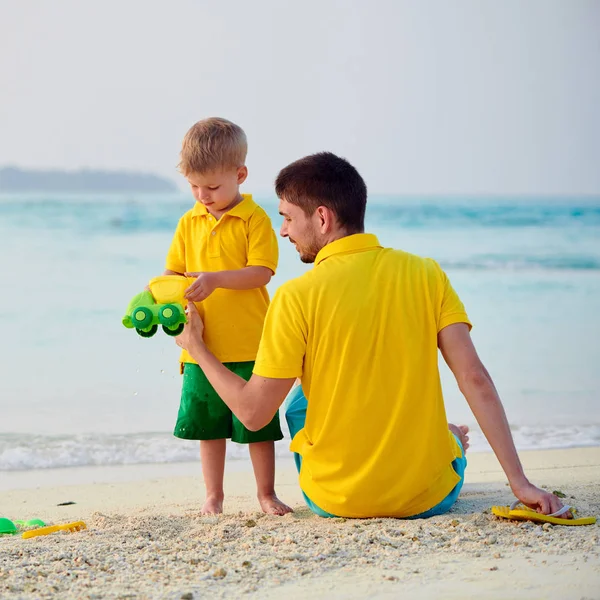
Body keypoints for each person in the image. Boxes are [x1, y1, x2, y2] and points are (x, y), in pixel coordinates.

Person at [175, 151, 567, 519]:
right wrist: (520, 483)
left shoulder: (295, 296)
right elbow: (474, 378)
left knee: (299, 396)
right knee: (362, 377)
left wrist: (198, 348)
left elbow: (252, 414)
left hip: (334, 498)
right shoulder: (426, 273)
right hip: (428, 496)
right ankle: (445, 441)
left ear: (323, 219)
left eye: (289, 219)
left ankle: (437, 438)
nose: (282, 231)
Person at [156, 117, 291, 515]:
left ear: (240, 174)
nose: (203, 195)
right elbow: (173, 273)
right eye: (195, 186)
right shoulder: (188, 221)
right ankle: (213, 497)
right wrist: (159, 294)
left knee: (257, 428)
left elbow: (262, 272)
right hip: (199, 347)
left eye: (212, 187)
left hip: (251, 342)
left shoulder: (254, 219)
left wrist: (216, 279)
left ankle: (265, 494)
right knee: (207, 428)